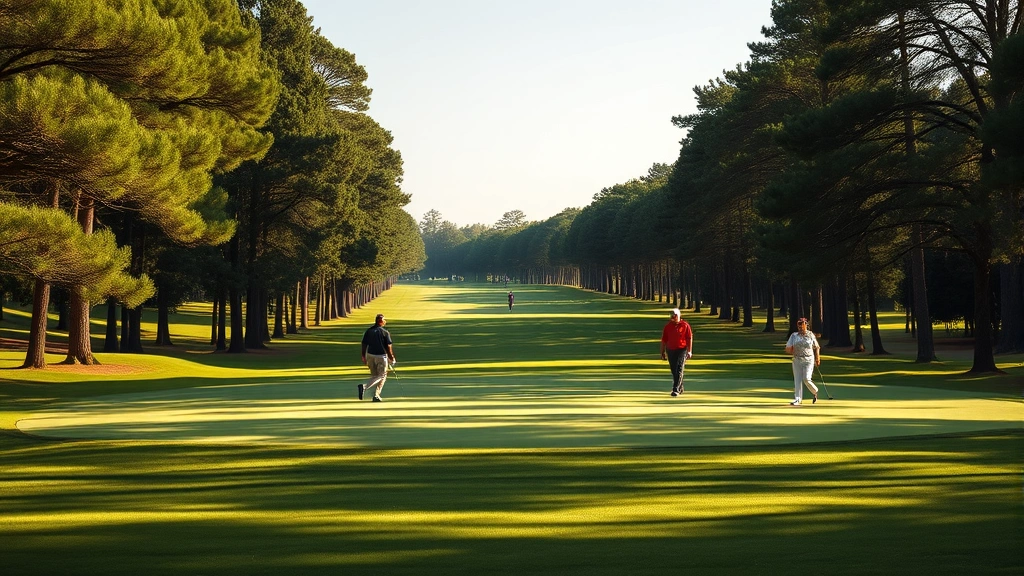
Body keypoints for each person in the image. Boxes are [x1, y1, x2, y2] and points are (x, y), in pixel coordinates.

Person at [359, 313, 395, 402]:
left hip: (370, 356)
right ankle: (364, 387)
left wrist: (363, 356)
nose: (385, 321)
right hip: (381, 356)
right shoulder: (385, 332)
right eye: (384, 320)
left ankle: (376, 396)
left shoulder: (369, 331)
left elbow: (364, 344)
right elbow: (388, 347)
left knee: (375, 376)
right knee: (382, 375)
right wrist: (392, 358)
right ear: (380, 321)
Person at [785, 317, 820, 405]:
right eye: (799, 326)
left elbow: (817, 347)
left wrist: (817, 358)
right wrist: (789, 349)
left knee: (806, 378)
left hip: (809, 359)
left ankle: (815, 391)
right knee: (797, 380)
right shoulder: (794, 335)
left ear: (806, 325)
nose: (800, 328)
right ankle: (798, 399)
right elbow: (788, 347)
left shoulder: (811, 335)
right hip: (797, 359)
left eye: (802, 326)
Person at [660, 308, 693, 396]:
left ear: (678, 316)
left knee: (679, 368)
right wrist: (662, 352)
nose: (673, 317)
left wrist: (689, 351)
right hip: (670, 349)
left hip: (682, 349)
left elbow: (689, 338)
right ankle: (680, 386)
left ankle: (675, 389)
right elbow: (664, 340)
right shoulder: (668, 326)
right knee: (673, 369)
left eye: (674, 315)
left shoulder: (685, 325)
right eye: (671, 316)